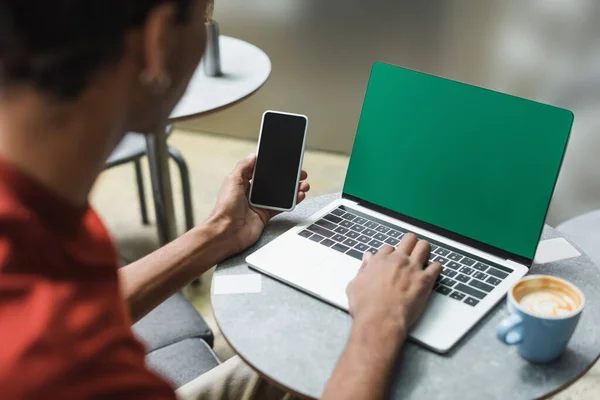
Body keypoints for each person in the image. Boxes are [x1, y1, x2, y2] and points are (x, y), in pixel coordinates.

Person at [0, 0, 442, 399]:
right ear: (157, 40)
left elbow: (82, 307)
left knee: (298, 360)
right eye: (207, 20)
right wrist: (378, 326)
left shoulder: (43, 216)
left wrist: (217, 233)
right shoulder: (64, 371)